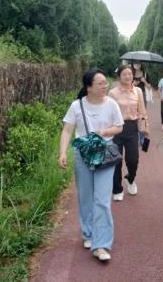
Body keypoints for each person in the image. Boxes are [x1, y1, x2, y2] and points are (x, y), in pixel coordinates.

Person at [59, 68, 124, 262]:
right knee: (85, 197)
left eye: (105, 83)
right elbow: (67, 130)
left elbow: (119, 127)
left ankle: (101, 244)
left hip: (105, 154)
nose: (105, 86)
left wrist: (104, 132)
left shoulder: (111, 104)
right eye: (100, 83)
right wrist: (62, 153)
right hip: (83, 155)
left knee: (102, 200)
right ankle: (88, 233)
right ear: (89, 87)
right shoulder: (76, 106)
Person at [109, 64, 149, 201]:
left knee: (133, 160)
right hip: (116, 128)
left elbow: (142, 111)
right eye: (124, 74)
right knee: (116, 160)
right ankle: (117, 189)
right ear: (119, 76)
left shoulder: (138, 91)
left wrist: (146, 127)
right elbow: (109, 113)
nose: (127, 76)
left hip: (132, 128)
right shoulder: (112, 93)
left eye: (130, 74)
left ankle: (130, 179)